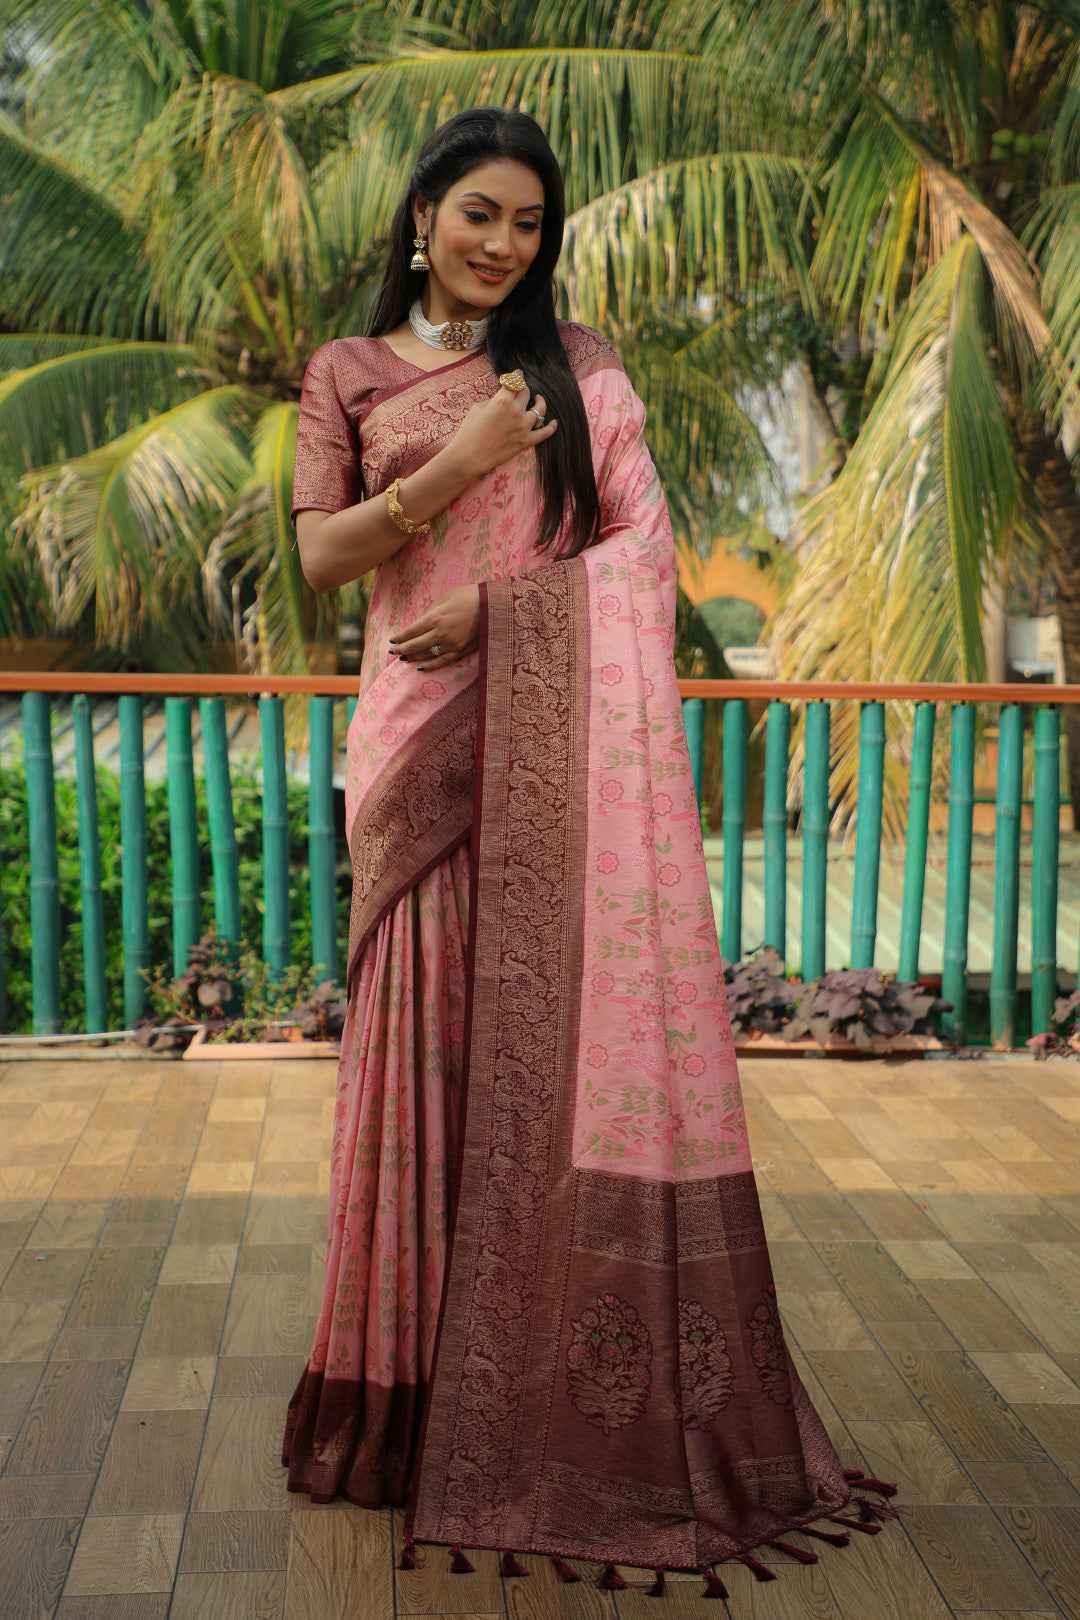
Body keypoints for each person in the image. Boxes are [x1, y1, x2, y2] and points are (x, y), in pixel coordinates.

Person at [282, 104, 895, 1595]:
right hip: (415, 758)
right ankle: (401, 1407)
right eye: (477, 213)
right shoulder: (347, 372)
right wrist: (458, 461)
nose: (502, 244)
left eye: (529, 224)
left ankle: (532, 1404)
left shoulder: (581, 367)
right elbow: (321, 556)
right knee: (419, 1075)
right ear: (420, 216)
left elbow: (644, 557)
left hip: (558, 762)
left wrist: (502, 610)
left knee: (547, 1077)